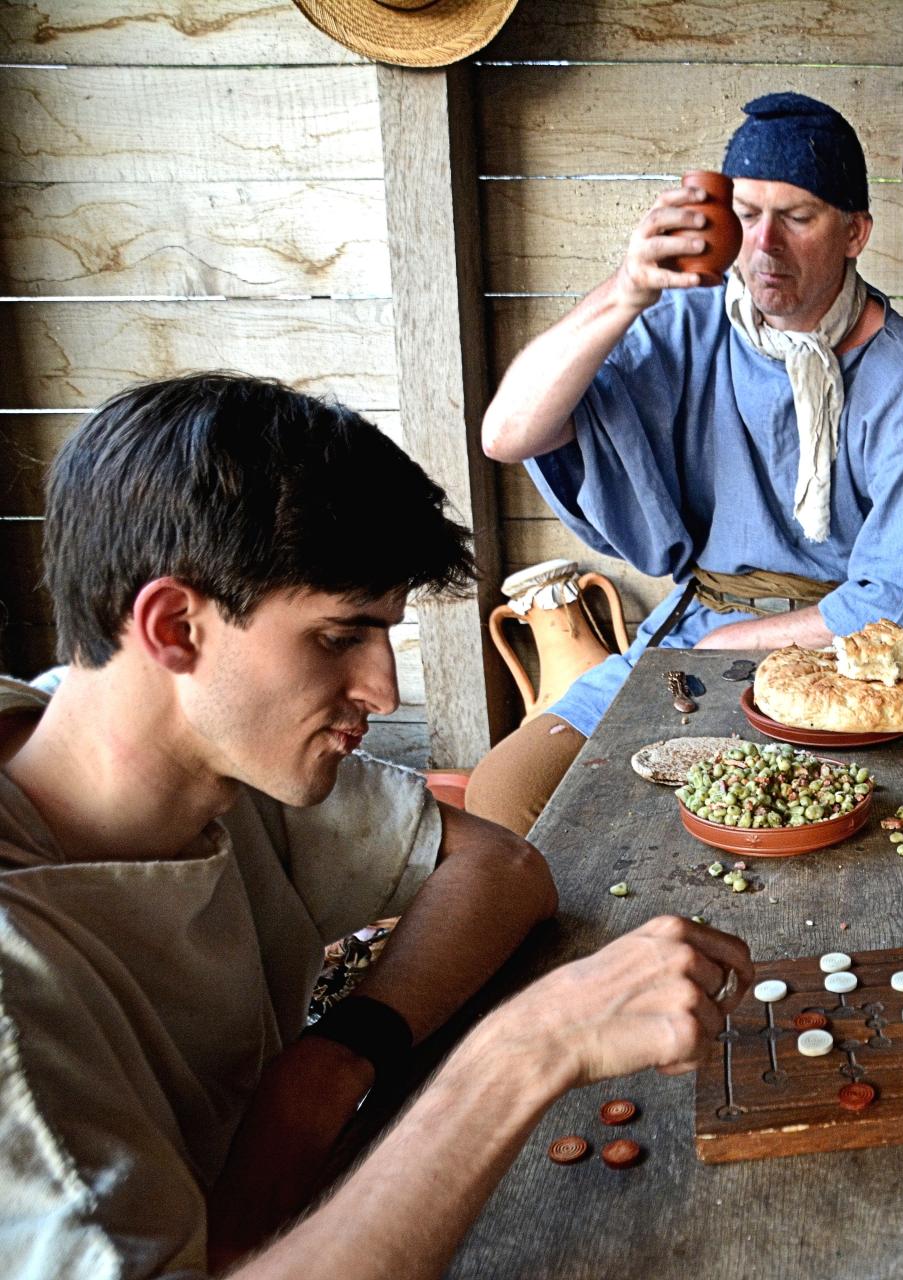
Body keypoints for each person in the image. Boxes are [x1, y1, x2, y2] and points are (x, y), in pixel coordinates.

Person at [0, 373, 754, 1279]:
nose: (383, 691)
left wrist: (323, 1071)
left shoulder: (194, 757)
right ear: (173, 627)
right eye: (337, 637)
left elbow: (502, 867)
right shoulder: (19, 988)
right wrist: (519, 1054)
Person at [472, 91, 903, 835]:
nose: (764, 246)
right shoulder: (688, 320)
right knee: (505, 794)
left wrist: (727, 645)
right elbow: (508, 433)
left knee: (772, 825)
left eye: (797, 217)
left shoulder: (902, 374)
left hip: (841, 658)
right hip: (692, 631)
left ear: (855, 232)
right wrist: (628, 290)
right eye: (747, 214)